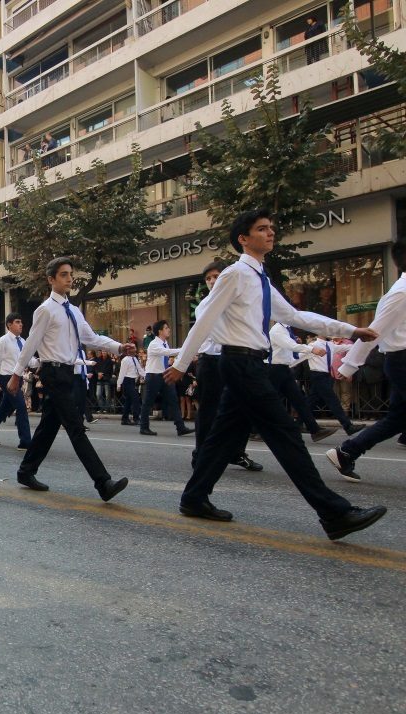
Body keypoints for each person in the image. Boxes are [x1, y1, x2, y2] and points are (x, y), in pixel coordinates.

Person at [164, 208, 384, 540]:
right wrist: (182, 363)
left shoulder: (260, 279)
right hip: (239, 363)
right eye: (262, 228)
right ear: (243, 239)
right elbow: (204, 317)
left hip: (250, 364)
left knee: (223, 436)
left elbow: (295, 316)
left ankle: (194, 498)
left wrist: (349, 330)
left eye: (271, 228)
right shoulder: (235, 274)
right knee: (285, 434)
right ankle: (334, 513)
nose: (270, 233)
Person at [6, 257, 134, 499]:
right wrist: (16, 374)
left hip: (68, 373)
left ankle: (26, 471)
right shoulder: (45, 310)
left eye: (71, 274)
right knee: (76, 428)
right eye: (63, 274)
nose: (69, 279)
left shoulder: (73, 310)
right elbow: (31, 344)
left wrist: (118, 347)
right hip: (52, 372)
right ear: (51, 279)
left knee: (48, 426)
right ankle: (103, 483)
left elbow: (91, 338)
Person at [326, 239, 406, 482]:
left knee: (397, 420)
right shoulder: (401, 293)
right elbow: (373, 332)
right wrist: (350, 364)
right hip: (402, 361)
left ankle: (346, 452)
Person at [192, 261, 262, 472]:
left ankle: (236, 452)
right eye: (208, 278)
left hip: (235, 361)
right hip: (211, 362)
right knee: (208, 411)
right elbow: (205, 334)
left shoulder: (239, 299)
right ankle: (201, 455)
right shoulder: (205, 305)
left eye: (216, 276)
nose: (212, 281)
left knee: (244, 408)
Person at [268, 321, 337, 441]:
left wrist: (302, 347)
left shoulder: (286, 330)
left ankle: (315, 430)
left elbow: (290, 350)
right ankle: (254, 430)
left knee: (299, 400)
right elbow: (291, 346)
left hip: (284, 368)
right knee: (268, 401)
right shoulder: (277, 330)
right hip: (274, 369)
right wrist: (311, 349)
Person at [0, 313, 37, 450]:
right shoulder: (3, 341)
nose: (21, 324)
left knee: (4, 409)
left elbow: (28, 360)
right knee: (21, 407)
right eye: (17, 322)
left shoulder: (23, 341)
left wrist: (40, 361)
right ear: (9, 325)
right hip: (6, 379)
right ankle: (25, 441)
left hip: (18, 378)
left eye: (21, 322)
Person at [140, 320, 194, 437]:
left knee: (173, 400)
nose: (169, 329)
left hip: (164, 375)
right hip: (153, 376)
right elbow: (167, 352)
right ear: (160, 331)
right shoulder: (154, 344)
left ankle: (180, 427)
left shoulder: (165, 343)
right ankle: (144, 427)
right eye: (166, 328)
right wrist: (185, 349)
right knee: (148, 402)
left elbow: (168, 354)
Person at [306, 334, 364, 436]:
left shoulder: (330, 345)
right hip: (317, 375)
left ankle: (298, 423)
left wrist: (363, 341)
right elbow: (298, 356)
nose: (330, 332)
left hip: (326, 375)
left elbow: (348, 347)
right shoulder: (312, 345)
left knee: (311, 401)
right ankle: (348, 426)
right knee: (333, 401)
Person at [116, 348, 144, 425]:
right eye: (133, 350)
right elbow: (122, 373)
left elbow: (139, 369)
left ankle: (124, 419)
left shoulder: (134, 359)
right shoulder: (125, 360)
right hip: (127, 380)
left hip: (132, 381)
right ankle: (136, 418)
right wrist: (119, 384)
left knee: (128, 401)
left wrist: (146, 376)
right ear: (128, 351)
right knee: (135, 399)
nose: (135, 351)